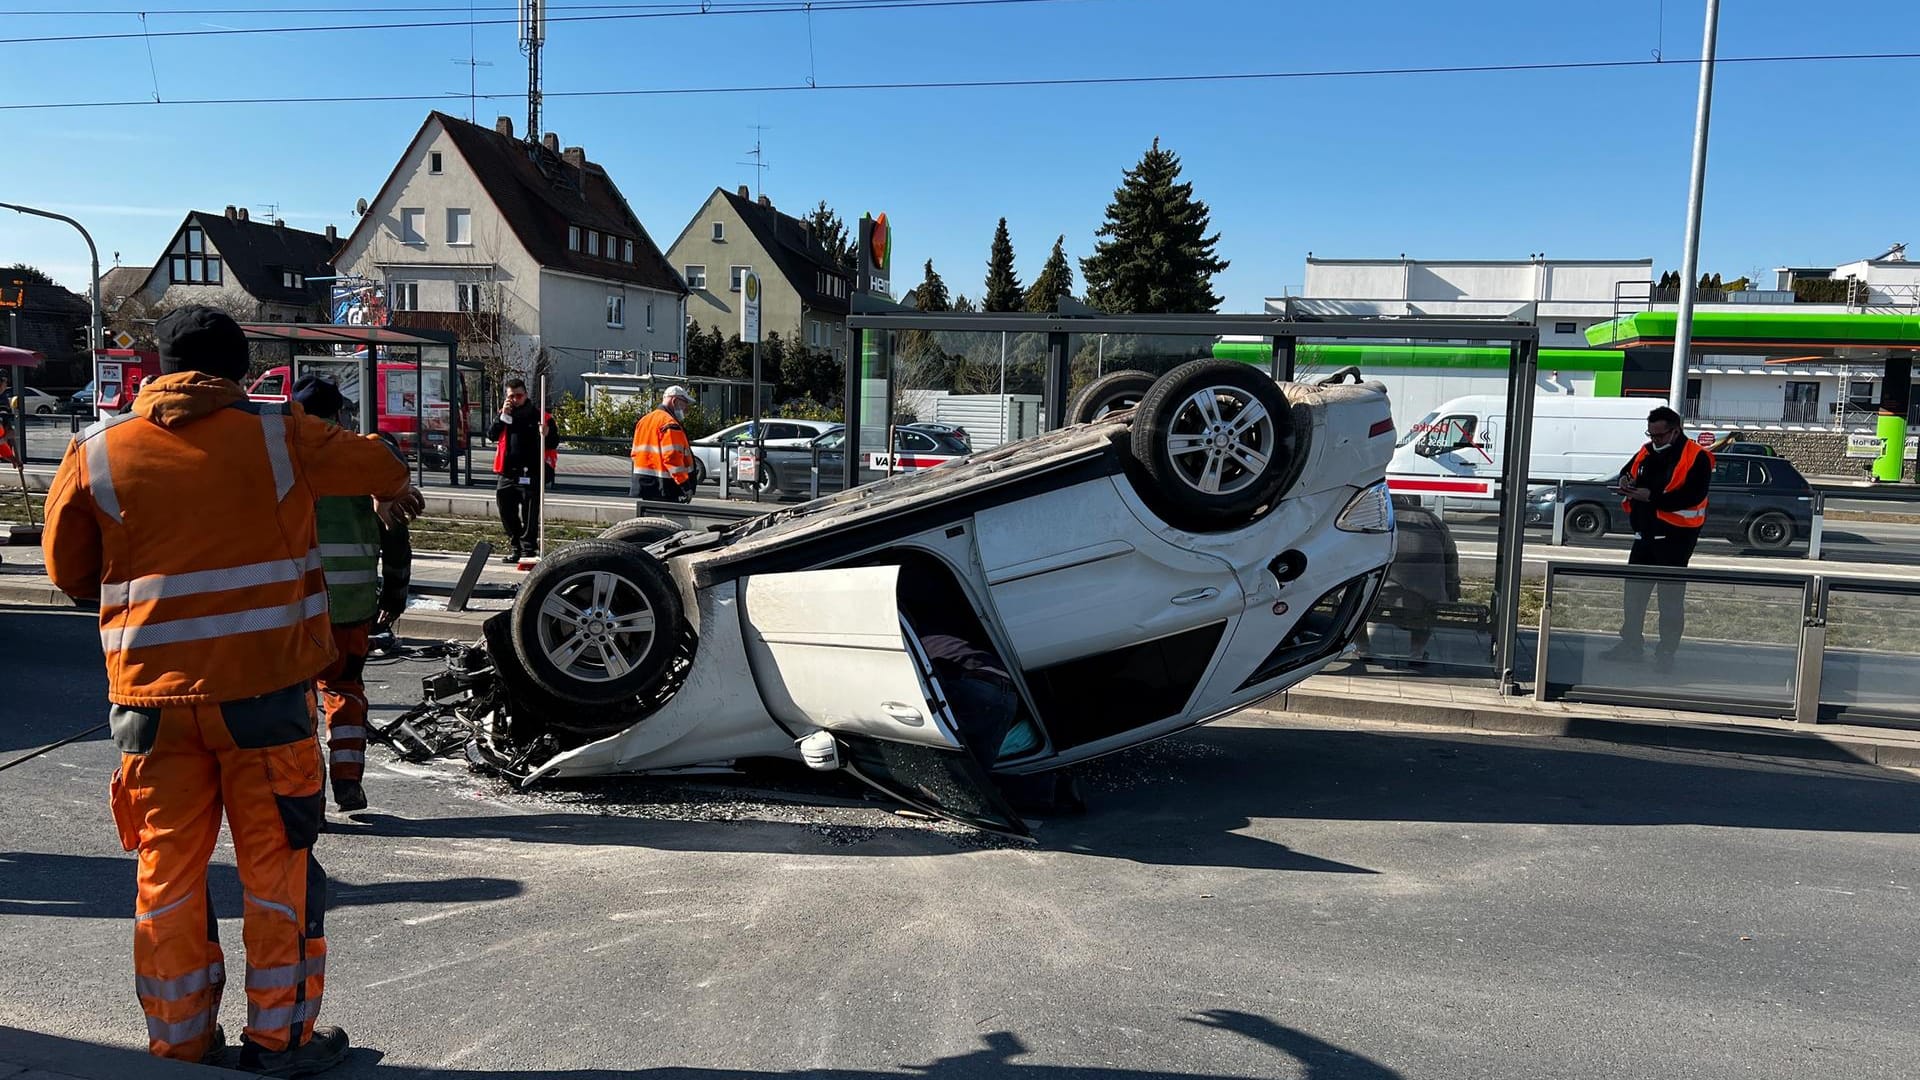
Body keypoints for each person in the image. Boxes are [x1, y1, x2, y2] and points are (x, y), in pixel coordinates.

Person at [41, 305, 423, 1074]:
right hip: (265, 701)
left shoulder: (96, 451)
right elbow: (381, 466)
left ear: (158, 366)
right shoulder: (281, 434)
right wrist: (383, 492)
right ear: (240, 371)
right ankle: (280, 1041)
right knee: (275, 873)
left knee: (168, 877)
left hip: (150, 710)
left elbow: (68, 573)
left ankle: (178, 1044)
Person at [291, 374, 413, 813]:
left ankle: (308, 796)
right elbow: (396, 530)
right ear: (339, 414)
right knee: (345, 689)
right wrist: (396, 591)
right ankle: (348, 783)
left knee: (297, 701)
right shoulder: (360, 458)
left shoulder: (282, 456)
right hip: (353, 604)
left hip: (298, 608)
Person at [1601, 405, 1713, 671]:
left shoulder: (1697, 456)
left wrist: (1651, 497)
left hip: (1676, 539)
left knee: (1670, 600)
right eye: (1651, 434)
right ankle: (1631, 645)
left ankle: (1666, 654)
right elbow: (1628, 470)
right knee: (1634, 596)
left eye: (1659, 435)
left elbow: (1692, 496)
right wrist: (1627, 481)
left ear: (1675, 432)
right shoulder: (1647, 450)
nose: (1654, 440)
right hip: (1644, 534)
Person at [488, 376, 558, 563]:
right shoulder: (504, 415)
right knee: (505, 509)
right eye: (512, 396)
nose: (515, 400)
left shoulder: (540, 416)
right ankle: (515, 545)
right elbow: (492, 435)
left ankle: (528, 550)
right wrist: (502, 416)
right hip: (507, 472)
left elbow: (553, 443)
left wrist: (547, 432)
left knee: (530, 513)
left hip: (532, 471)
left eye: (519, 396)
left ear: (525, 395)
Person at [629, 384, 696, 503]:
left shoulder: (644, 420)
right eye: (684, 404)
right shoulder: (670, 423)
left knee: (650, 520)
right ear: (675, 401)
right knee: (668, 521)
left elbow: (635, 453)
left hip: (644, 483)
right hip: (664, 485)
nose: (686, 409)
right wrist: (685, 486)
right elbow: (672, 458)